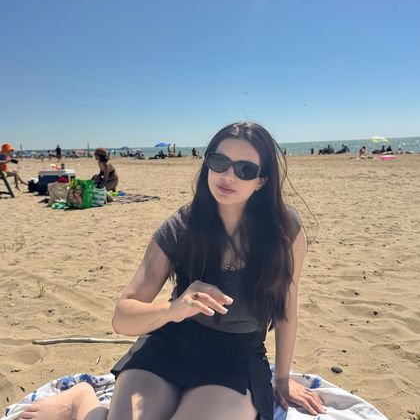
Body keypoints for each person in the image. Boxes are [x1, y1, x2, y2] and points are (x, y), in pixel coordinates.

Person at [18, 122, 324, 420]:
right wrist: (173, 309)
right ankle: (81, 399)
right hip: (171, 345)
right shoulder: (181, 228)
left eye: (245, 169)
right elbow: (122, 317)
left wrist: (282, 378)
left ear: (261, 180)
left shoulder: (284, 230)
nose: (228, 175)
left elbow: (286, 308)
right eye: (219, 162)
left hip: (236, 357)